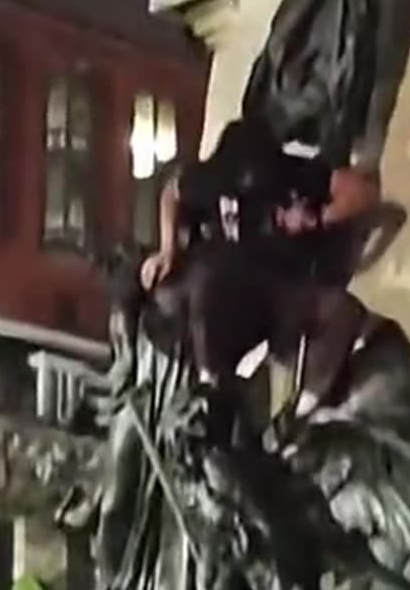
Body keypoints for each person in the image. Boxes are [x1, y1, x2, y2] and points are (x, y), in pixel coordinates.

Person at [139, 114, 379, 437]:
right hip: (222, 308)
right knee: (203, 277)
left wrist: (317, 217)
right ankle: (212, 387)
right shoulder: (211, 178)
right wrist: (166, 250)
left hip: (275, 297)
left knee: (338, 311)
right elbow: (171, 192)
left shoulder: (292, 176)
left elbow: (362, 193)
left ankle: (302, 412)